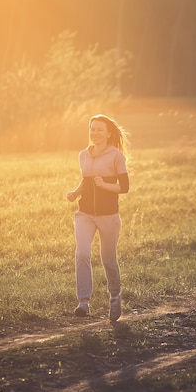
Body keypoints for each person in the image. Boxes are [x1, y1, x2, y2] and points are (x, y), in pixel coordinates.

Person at [66, 114, 129, 321]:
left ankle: (115, 297)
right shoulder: (84, 154)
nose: (95, 133)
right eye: (92, 129)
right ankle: (83, 302)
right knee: (82, 253)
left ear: (109, 133)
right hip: (84, 214)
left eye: (99, 129)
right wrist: (75, 192)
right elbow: (85, 181)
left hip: (108, 216)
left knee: (108, 259)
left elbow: (124, 187)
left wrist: (105, 186)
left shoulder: (116, 156)